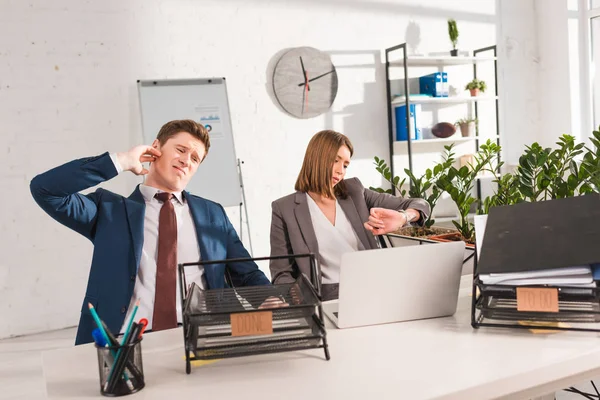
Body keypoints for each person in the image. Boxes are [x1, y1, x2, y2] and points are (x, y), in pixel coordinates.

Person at [31, 119, 275, 345]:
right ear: (155, 147)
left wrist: (271, 299)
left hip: (198, 339)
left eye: (195, 158)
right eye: (180, 150)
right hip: (124, 344)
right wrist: (121, 161)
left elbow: (246, 273)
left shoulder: (212, 214)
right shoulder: (109, 211)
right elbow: (45, 189)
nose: (186, 160)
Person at [269, 130, 431, 300]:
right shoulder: (285, 209)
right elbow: (281, 274)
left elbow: (420, 205)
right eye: (335, 161)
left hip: (376, 288)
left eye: (345, 165)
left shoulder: (355, 191)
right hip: (325, 300)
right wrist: (298, 301)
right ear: (316, 158)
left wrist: (404, 217)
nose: (340, 171)